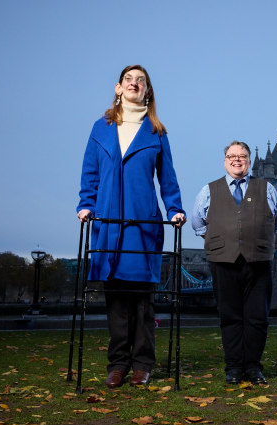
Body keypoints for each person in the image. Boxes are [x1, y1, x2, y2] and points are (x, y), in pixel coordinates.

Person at [77, 65, 186, 389]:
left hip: (142, 224)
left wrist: (175, 208)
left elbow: (168, 178)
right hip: (109, 224)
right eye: (129, 79)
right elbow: (90, 172)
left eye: (141, 80)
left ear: (147, 91)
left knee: (142, 302)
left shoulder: (156, 132)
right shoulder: (101, 128)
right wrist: (86, 203)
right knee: (116, 302)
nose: (135, 83)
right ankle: (118, 364)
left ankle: (142, 364)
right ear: (118, 88)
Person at [192, 141, 277, 385]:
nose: (237, 160)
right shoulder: (208, 190)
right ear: (225, 161)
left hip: (259, 261)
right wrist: (225, 238)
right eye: (232, 156)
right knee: (230, 317)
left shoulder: (267, 189)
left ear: (249, 161)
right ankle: (233, 368)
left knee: (257, 317)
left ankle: (253, 368)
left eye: (242, 156)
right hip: (223, 262)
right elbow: (198, 224)